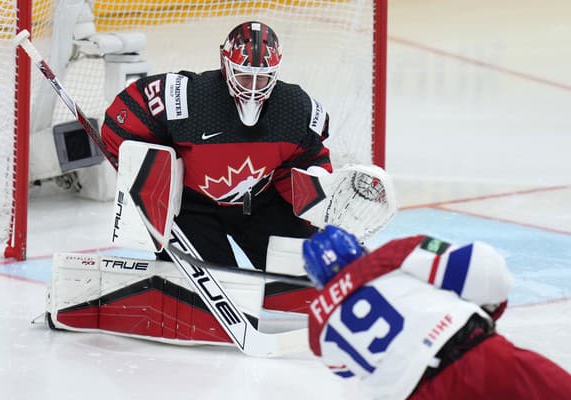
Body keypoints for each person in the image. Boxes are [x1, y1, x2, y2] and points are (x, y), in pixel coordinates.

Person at [101, 21, 331, 270]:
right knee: (217, 292)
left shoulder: (296, 108)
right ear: (225, 64)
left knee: (308, 275)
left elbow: (308, 159)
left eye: (262, 78)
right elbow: (122, 117)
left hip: (261, 204)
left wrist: (319, 203)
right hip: (192, 210)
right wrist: (147, 178)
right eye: (244, 76)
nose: (252, 88)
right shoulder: (189, 98)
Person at [302, 225, 571, 400]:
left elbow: (346, 371)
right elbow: (484, 270)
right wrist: (491, 306)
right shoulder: (390, 256)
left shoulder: (317, 327)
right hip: (477, 359)